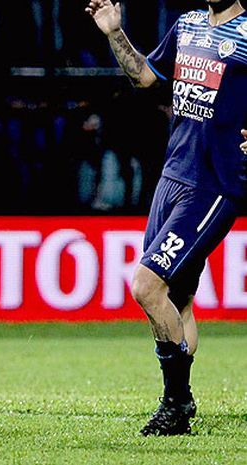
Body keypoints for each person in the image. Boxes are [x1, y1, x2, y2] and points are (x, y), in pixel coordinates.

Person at [87, 0, 247, 436]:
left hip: (216, 183)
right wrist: (114, 32)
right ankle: (179, 399)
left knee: (146, 284)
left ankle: (177, 404)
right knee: (176, 300)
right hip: (173, 173)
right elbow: (143, 76)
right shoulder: (188, 24)